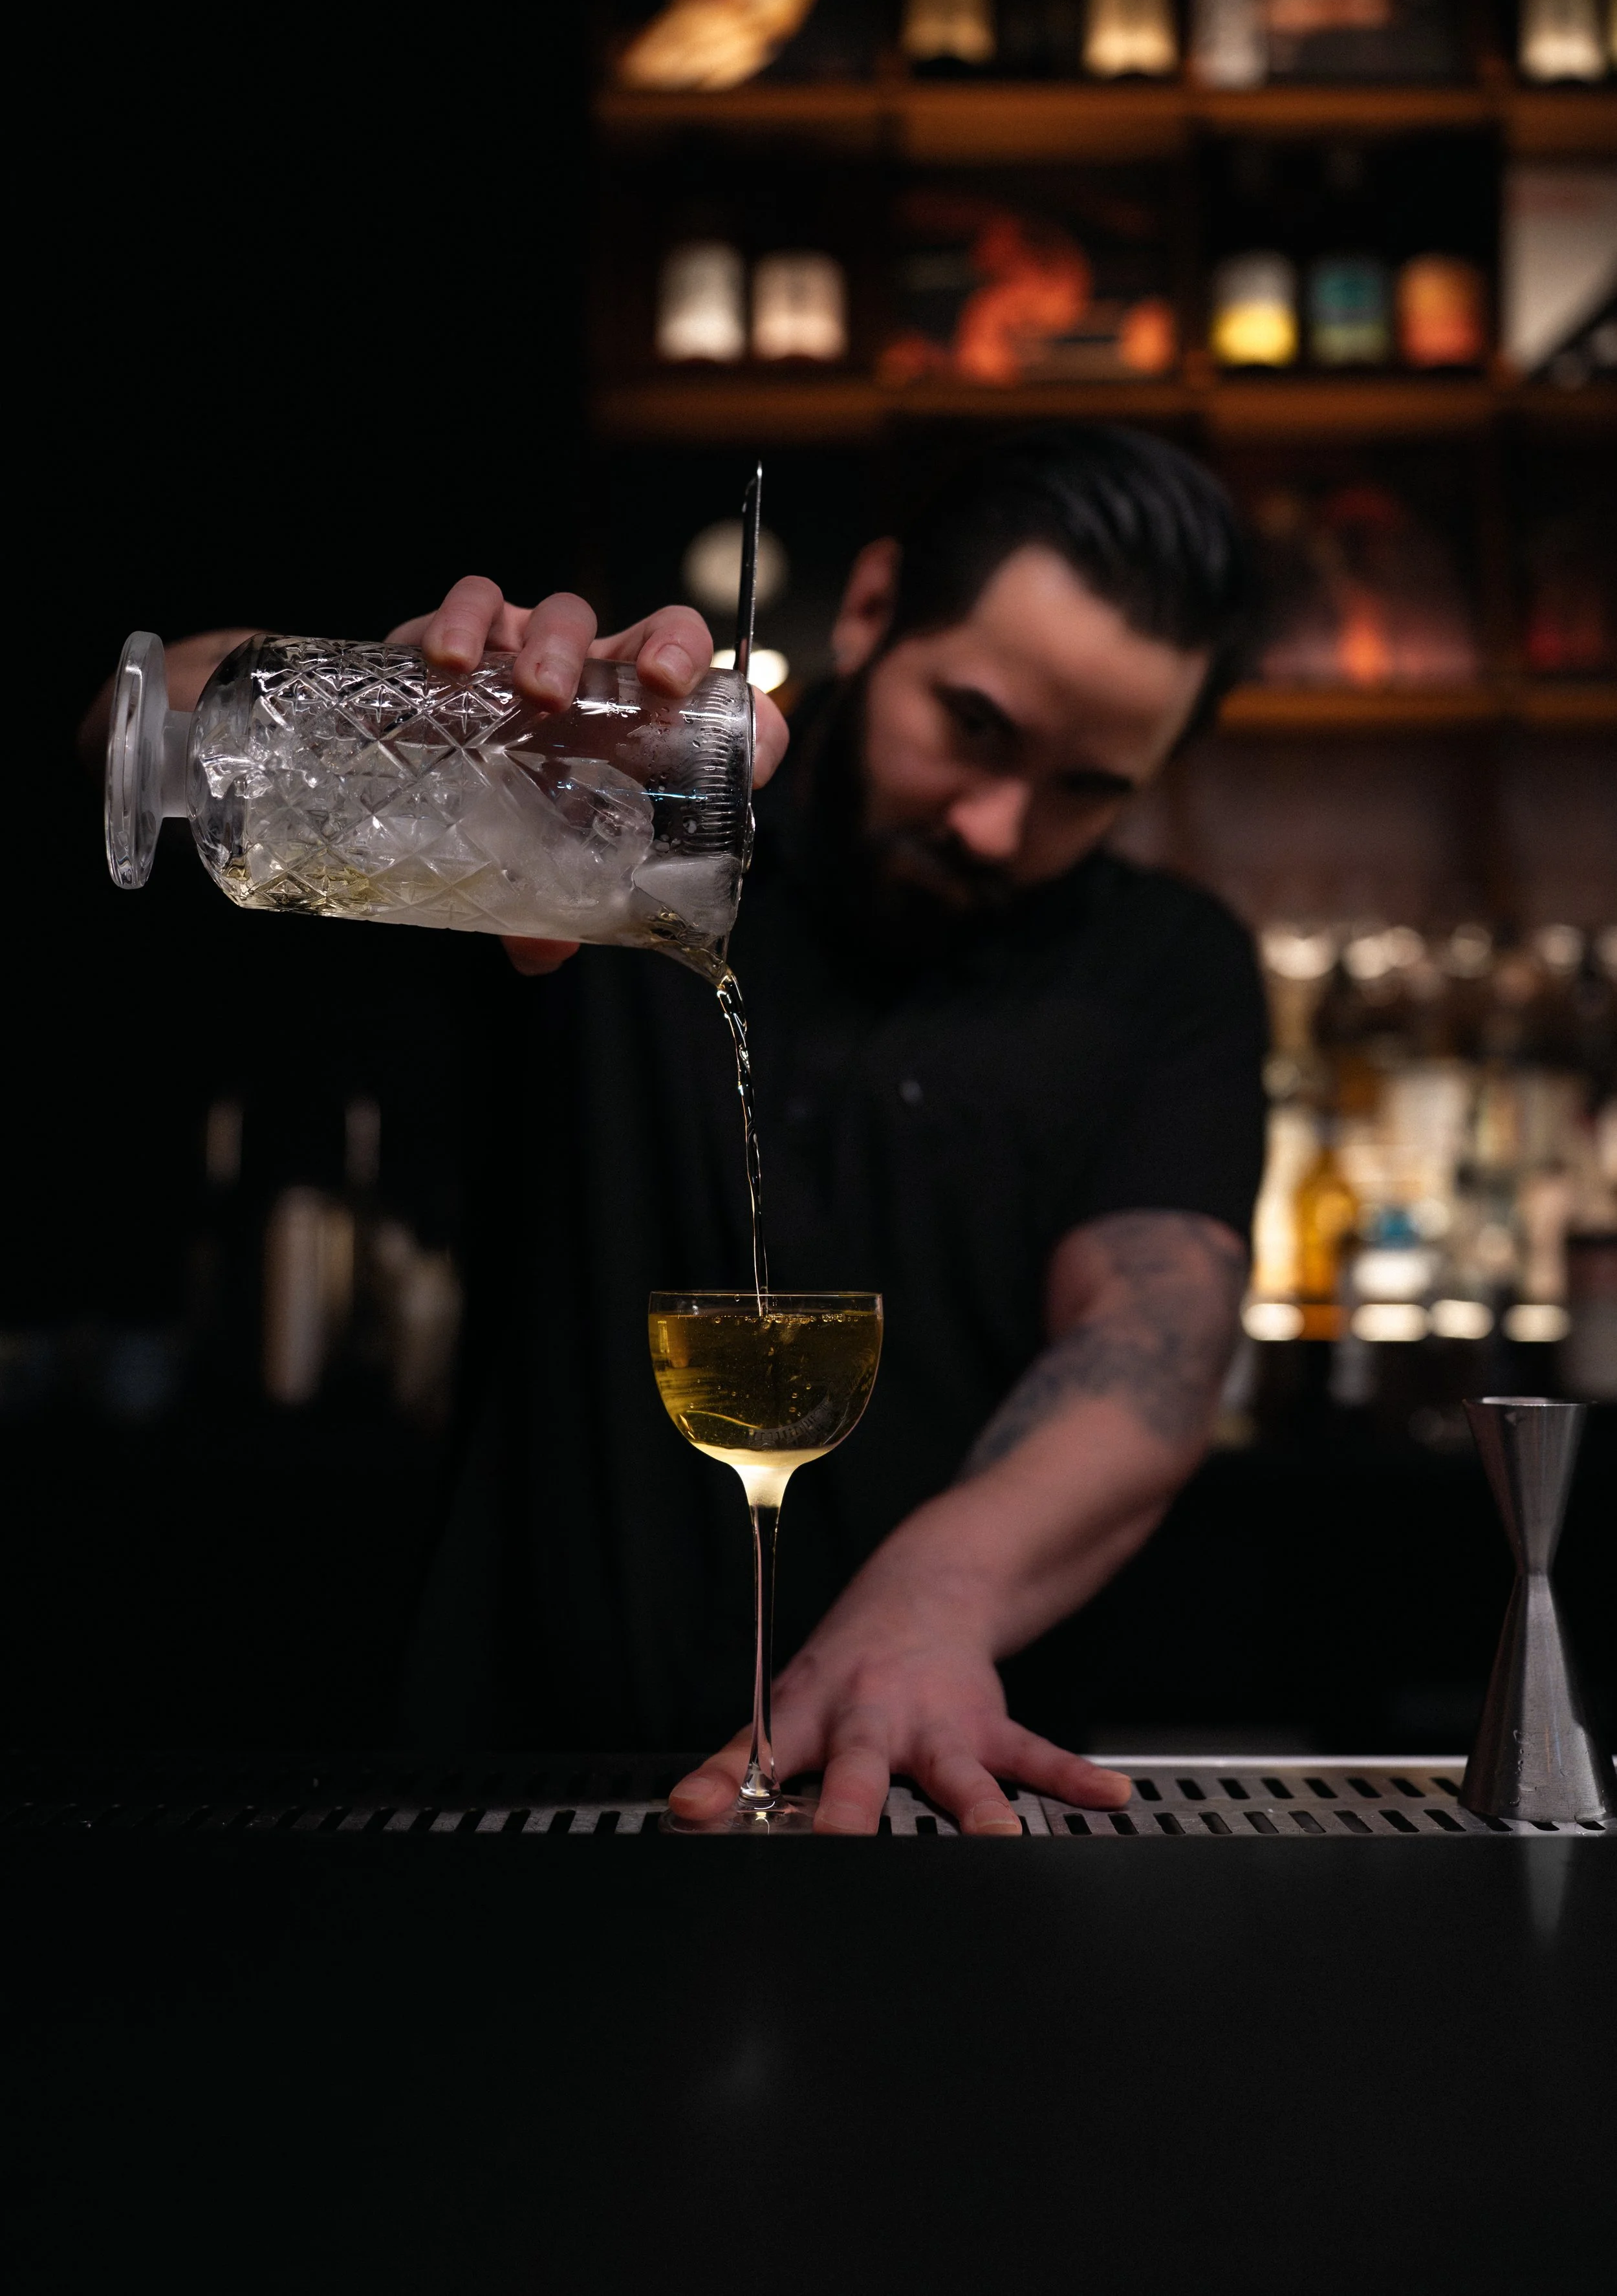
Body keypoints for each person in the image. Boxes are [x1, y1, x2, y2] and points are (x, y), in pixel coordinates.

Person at [130, 428, 1268, 1835]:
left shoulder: (1167, 969)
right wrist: (407, 715)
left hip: (930, 1787)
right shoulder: (591, 825)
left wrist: (931, 1603)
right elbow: (136, 723)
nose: (993, 824)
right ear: (867, 611)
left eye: (1086, 789)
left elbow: (1147, 1347)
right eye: (973, 726)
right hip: (520, 1787)